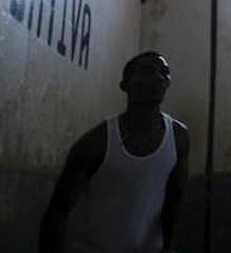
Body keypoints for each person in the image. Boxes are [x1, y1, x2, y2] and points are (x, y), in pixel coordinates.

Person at [39, 51, 191, 253]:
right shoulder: (95, 143)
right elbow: (57, 212)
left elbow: (175, 198)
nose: (158, 77)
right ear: (125, 85)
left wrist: (168, 247)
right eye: (148, 70)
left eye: (165, 72)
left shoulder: (179, 137)